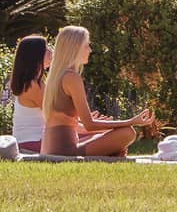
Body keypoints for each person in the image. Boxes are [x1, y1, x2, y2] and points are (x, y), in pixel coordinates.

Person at [41, 26, 154, 157]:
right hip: (64, 151)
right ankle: (112, 153)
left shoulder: (57, 76)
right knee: (127, 132)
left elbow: (82, 127)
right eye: (86, 45)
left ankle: (111, 153)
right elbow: (89, 124)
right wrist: (131, 121)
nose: (90, 50)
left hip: (53, 148)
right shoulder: (71, 77)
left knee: (115, 135)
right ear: (75, 48)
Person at [8, 35, 50, 154]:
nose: (51, 52)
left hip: (35, 140)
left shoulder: (34, 83)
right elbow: (54, 117)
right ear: (35, 56)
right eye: (46, 49)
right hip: (31, 142)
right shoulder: (32, 86)